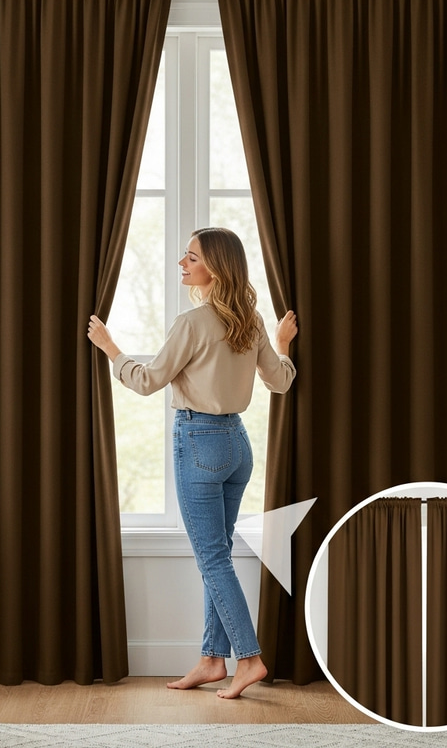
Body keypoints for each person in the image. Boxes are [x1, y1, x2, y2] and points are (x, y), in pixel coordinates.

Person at [88, 227, 298, 699]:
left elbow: (146, 381)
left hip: (199, 442)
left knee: (212, 560)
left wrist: (111, 349)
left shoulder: (191, 323)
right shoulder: (252, 320)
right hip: (237, 446)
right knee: (217, 556)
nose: (182, 263)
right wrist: (284, 344)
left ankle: (248, 658)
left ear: (216, 268)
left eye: (192, 257)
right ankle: (211, 659)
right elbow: (281, 383)